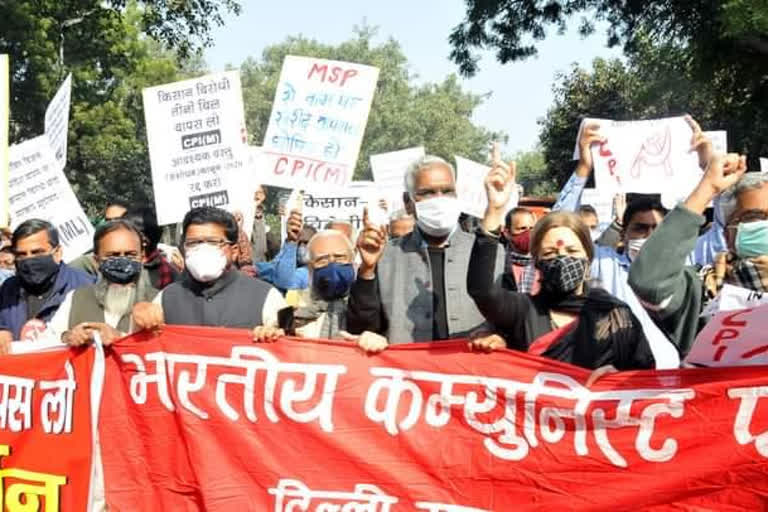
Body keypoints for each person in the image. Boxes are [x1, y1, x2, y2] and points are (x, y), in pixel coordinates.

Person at [466, 159, 655, 371]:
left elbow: (642, 377)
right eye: (550, 253)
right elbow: (481, 290)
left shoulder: (615, 315)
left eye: (572, 251)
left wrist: (616, 380)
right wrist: (494, 210)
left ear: (587, 257)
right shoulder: (524, 311)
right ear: (537, 261)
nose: (562, 258)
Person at [346, 155, 506, 343]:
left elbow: (515, 324)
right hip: (406, 369)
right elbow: (361, 330)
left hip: (471, 369)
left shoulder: (493, 254)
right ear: (408, 202)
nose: (439, 199)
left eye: (447, 191)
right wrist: (367, 270)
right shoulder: (386, 256)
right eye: (428, 193)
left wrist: (501, 338)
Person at [629, 153, 752, 356]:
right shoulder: (700, 289)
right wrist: (707, 189)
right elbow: (649, 282)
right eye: (753, 217)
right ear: (727, 232)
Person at [132, 207, 287, 332]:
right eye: (193, 243)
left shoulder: (266, 297)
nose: (202, 249)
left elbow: (291, 349)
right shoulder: (166, 298)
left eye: (213, 242)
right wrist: (140, 319)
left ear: (234, 251)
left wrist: (274, 336)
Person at [46, 220, 158, 346]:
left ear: (142, 257)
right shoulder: (77, 297)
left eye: (130, 254)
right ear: (96, 260)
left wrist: (121, 338)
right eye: (113, 255)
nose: (122, 261)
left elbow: (170, 347)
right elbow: (47, 340)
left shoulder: (159, 300)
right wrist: (68, 337)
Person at [0, 220, 95, 348]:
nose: (29, 260)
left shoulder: (86, 287)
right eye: (21, 255)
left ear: (57, 253)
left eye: (37, 252)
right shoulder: (8, 289)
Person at [255, 211, 314, 292]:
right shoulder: (285, 259)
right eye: (299, 243)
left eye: (306, 243)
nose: (302, 247)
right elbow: (268, 268)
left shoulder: (312, 272)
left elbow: (285, 282)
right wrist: (292, 242)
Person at [123, 206, 180, 290]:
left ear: (144, 240)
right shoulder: (118, 263)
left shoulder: (165, 273)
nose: (118, 236)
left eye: (125, 232)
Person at [501, 206, 539, 294]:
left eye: (532, 228)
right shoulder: (499, 261)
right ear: (507, 233)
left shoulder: (543, 264)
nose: (528, 233)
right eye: (522, 228)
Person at [251, 185, 269, 263]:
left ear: (264, 196)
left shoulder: (266, 213)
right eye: (255, 192)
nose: (257, 195)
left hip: (262, 259)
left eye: (260, 192)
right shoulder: (245, 211)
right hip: (250, 258)